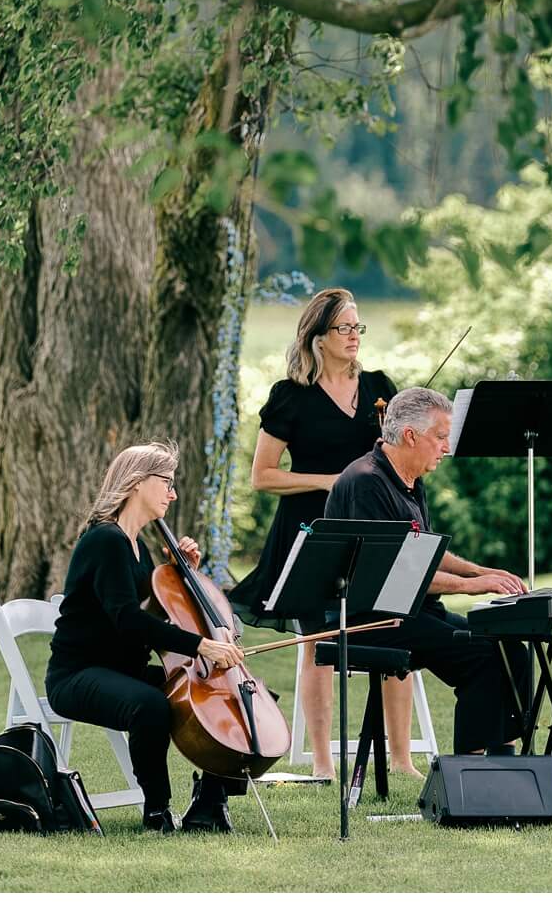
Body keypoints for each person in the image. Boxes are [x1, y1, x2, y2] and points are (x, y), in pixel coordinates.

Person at [227, 287, 415, 780]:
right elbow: (262, 476)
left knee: (392, 626)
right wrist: (328, 480)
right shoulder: (290, 396)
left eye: (358, 328)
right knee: (319, 642)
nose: (354, 337)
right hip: (312, 530)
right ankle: (324, 764)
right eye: (344, 328)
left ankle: (401, 759)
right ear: (317, 337)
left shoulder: (379, 388)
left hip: (373, 528)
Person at [45, 442, 246, 833]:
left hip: (123, 670)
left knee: (223, 693)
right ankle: (157, 810)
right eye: (166, 483)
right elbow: (128, 621)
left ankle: (209, 800)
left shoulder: (139, 548)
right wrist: (202, 646)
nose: (172, 493)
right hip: (78, 675)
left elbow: (159, 613)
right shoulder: (106, 541)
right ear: (137, 482)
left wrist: (182, 575)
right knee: (150, 705)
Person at [324, 387, 533, 755]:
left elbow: (425, 550)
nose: (446, 448)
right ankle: (472, 770)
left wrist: (481, 571)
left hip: (416, 612)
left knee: (512, 649)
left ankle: (505, 761)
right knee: (482, 657)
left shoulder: (408, 478)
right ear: (410, 435)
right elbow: (394, 573)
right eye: (440, 437)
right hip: (375, 619)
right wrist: (473, 587)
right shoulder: (365, 482)